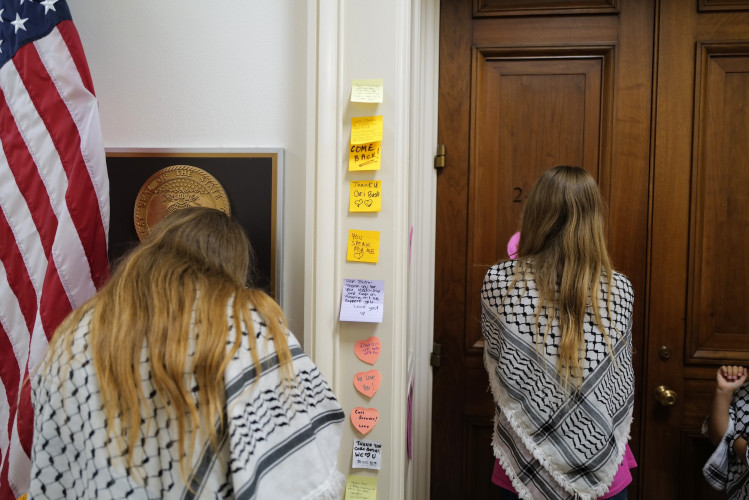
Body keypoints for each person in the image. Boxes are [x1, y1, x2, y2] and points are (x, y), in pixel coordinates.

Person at [28, 207, 345, 499]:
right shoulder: (245, 324)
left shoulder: (78, 330)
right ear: (232, 264)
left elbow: (54, 456)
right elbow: (301, 469)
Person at [481, 166, 636, 500]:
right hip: (601, 470)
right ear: (594, 218)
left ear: (535, 214)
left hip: (525, 466)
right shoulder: (619, 289)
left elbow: (504, 362)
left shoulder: (501, 283)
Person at [703, 365, 749, 498]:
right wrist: (724, 391)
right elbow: (718, 437)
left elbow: (728, 437)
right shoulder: (743, 392)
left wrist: (733, 439)